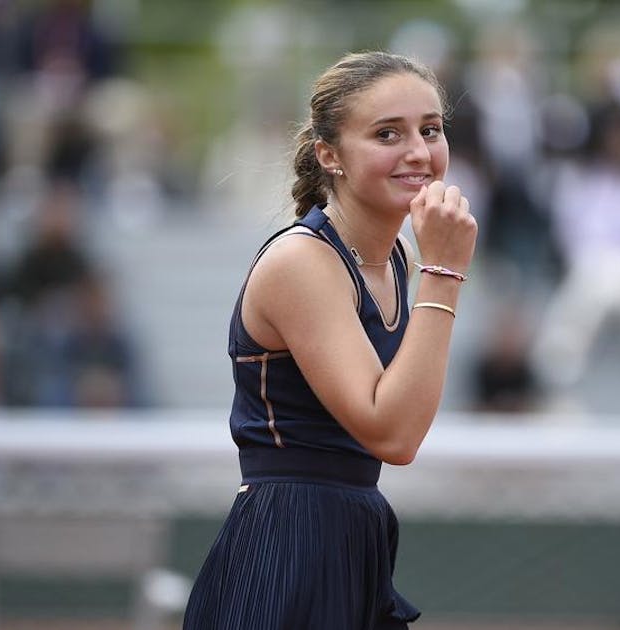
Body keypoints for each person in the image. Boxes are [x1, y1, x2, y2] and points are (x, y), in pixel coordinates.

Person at [182, 51, 477, 630]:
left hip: (349, 537)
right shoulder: (303, 261)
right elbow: (394, 433)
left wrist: (432, 270)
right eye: (387, 133)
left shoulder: (395, 258)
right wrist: (443, 274)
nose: (418, 150)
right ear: (329, 156)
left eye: (431, 129)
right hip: (287, 546)